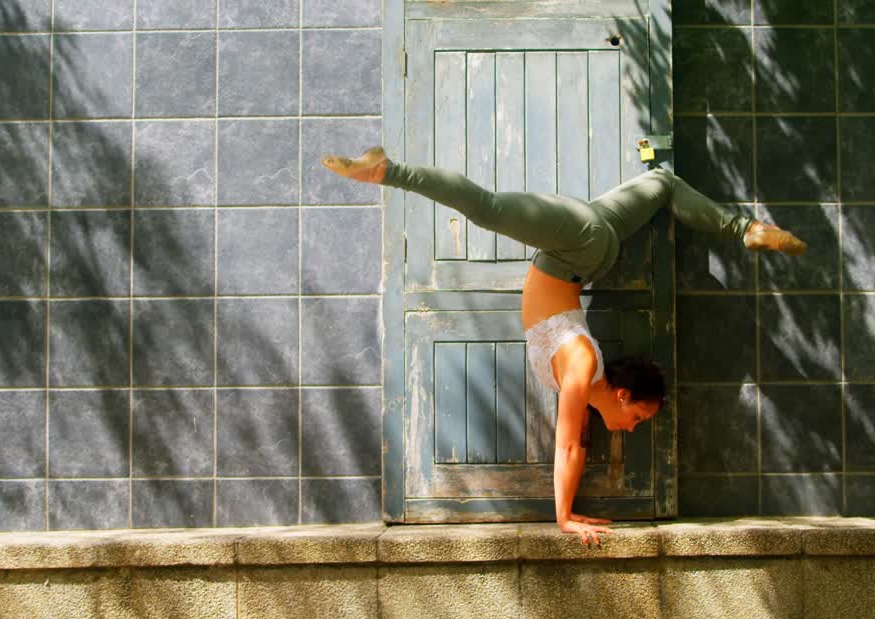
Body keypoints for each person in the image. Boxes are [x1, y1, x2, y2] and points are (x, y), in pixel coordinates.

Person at [322, 147, 806, 545]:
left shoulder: (586, 375)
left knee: (662, 183)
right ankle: (386, 169)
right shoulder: (581, 365)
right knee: (487, 208)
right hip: (578, 245)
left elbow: (577, 440)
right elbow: (569, 443)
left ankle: (746, 229)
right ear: (622, 394)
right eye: (637, 417)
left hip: (589, 247)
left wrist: (568, 514)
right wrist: (565, 517)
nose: (632, 429)